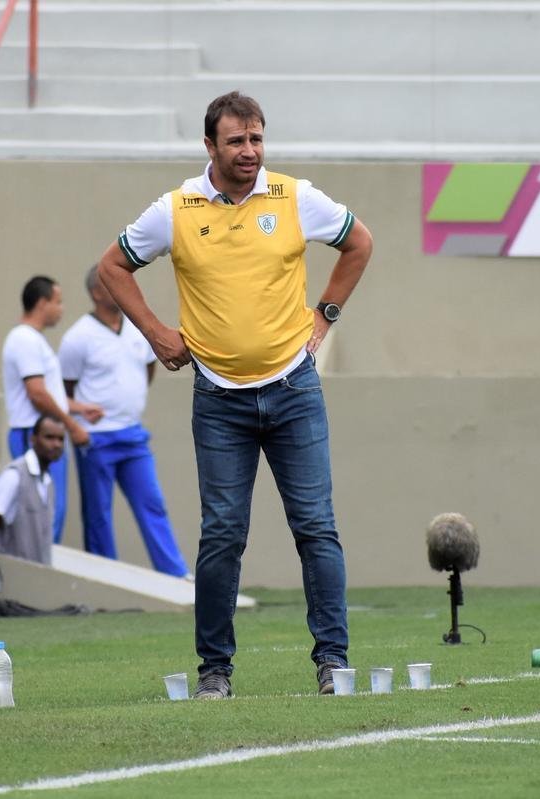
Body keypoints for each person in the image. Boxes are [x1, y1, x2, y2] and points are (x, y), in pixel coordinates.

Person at [96, 91, 374, 699]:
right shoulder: (175, 209)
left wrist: (325, 314)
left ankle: (333, 663)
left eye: (257, 139)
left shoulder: (296, 198)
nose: (249, 152)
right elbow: (112, 267)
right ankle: (214, 672)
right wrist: (156, 332)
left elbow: (360, 244)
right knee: (222, 534)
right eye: (236, 141)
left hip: (294, 388)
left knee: (317, 529)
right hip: (218, 400)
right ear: (209, 146)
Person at [58, 266, 191, 577]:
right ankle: (106, 576)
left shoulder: (136, 329)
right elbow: (65, 387)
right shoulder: (78, 337)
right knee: (99, 514)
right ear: (96, 293)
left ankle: (174, 573)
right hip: (96, 437)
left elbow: (148, 368)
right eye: (112, 286)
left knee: (152, 503)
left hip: (132, 434)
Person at [1, 275, 102, 543]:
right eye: (58, 302)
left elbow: (48, 394)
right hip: (34, 436)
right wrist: (72, 425)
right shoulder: (24, 339)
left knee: (51, 511)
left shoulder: (33, 340)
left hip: (45, 434)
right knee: (39, 513)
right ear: (42, 303)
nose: (62, 308)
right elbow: (37, 394)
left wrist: (79, 408)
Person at [0, 415, 67, 565]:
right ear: (33, 439)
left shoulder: (48, 482)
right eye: (49, 438)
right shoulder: (14, 476)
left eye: (61, 439)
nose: (56, 444)